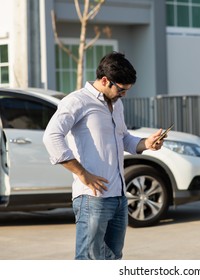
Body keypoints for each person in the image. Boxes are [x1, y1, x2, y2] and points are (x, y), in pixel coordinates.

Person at [43, 51, 165, 259]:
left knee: (113, 257)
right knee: (89, 259)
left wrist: (147, 144)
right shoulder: (76, 101)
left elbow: (124, 138)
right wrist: (82, 173)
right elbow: (51, 137)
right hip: (92, 198)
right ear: (105, 80)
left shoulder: (117, 104)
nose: (124, 94)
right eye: (121, 89)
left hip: (119, 196)